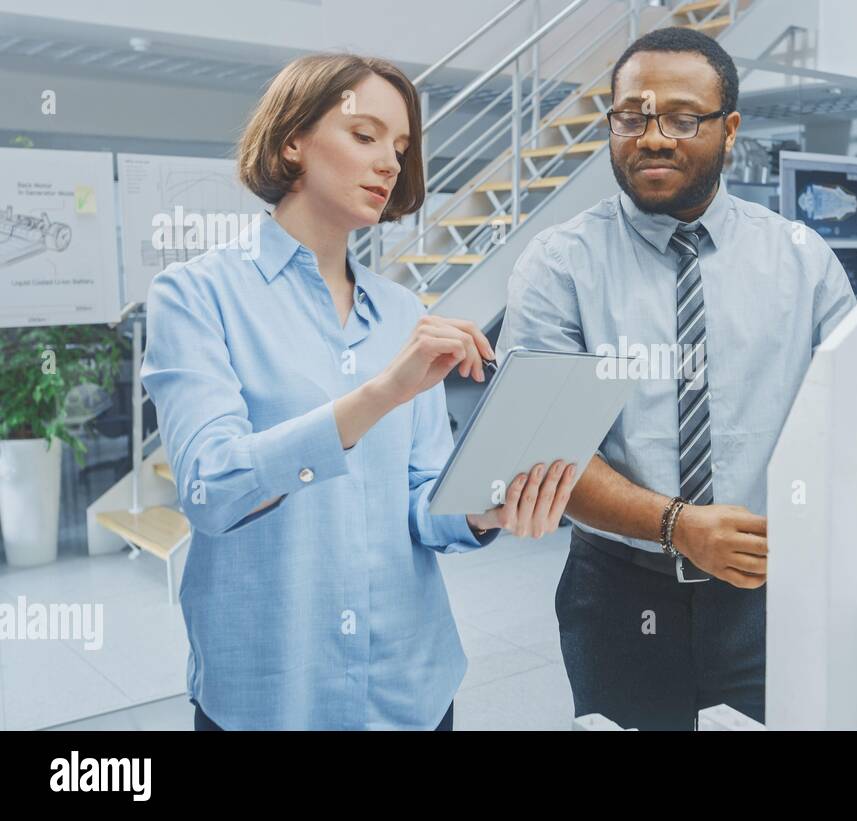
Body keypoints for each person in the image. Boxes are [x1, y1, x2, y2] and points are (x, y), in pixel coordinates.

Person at [142, 53, 577, 730]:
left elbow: (419, 500)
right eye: (365, 135)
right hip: (271, 695)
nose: (389, 164)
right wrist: (379, 393)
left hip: (410, 689)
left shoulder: (404, 312)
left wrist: (483, 507)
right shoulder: (196, 296)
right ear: (293, 141)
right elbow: (211, 489)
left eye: (400, 149)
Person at [499, 28, 856, 730]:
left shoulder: (803, 262)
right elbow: (544, 450)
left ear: (729, 131)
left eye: (683, 118)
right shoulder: (559, 264)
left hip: (769, 591)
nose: (653, 136)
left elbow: (851, 421)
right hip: (620, 592)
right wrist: (677, 525)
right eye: (632, 116)